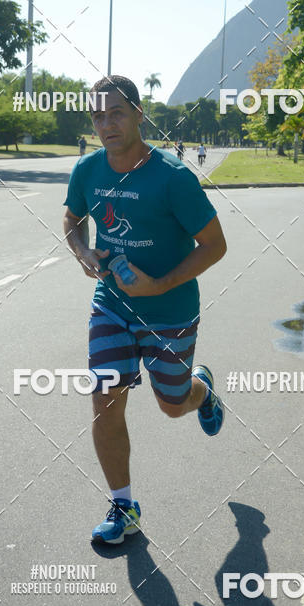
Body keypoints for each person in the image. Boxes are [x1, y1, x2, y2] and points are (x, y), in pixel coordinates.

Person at [63, 75, 227, 544]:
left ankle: (203, 392)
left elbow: (215, 246)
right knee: (105, 401)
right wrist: (83, 252)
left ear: (138, 113)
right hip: (111, 306)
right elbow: (72, 219)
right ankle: (123, 506)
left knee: (172, 406)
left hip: (170, 313)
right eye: (97, 115)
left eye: (116, 112)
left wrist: (160, 284)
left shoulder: (173, 177)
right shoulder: (89, 170)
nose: (106, 124)